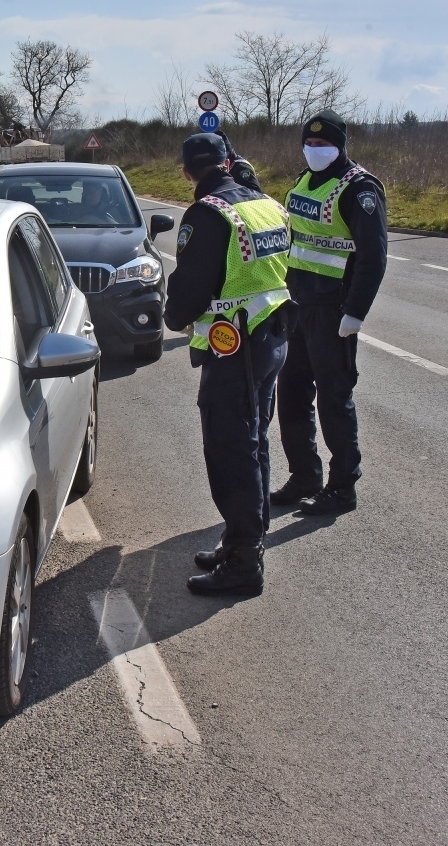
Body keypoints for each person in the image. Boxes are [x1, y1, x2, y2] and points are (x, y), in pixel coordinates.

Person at [163, 131, 293, 596]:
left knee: (230, 451)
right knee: (253, 443)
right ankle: (244, 541)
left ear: (187, 172)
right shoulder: (267, 205)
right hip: (271, 341)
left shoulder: (208, 214)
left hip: (234, 349)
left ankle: (243, 563)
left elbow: (189, 292)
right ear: (227, 160)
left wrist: (172, 317)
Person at [273, 109, 388, 516]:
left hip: (334, 311)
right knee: (291, 395)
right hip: (298, 305)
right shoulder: (305, 180)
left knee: (334, 400)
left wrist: (355, 312)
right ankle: (304, 475)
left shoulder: (359, 189)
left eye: (323, 144)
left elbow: (372, 257)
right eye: (310, 143)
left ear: (340, 145)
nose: (315, 150)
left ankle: (342, 488)